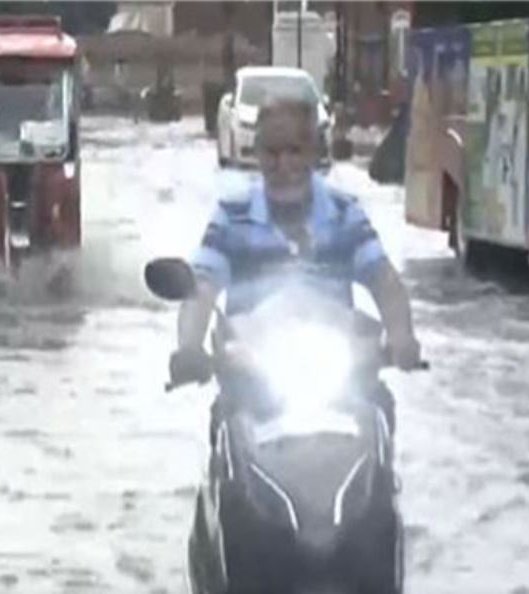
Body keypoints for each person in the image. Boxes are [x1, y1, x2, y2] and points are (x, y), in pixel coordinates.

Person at [170, 91, 422, 436]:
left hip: (338, 381)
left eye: (294, 151)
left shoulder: (346, 214)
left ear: (314, 153)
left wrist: (401, 337)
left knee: (378, 409)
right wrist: (189, 348)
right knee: (227, 424)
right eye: (272, 152)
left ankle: (381, 487)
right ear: (257, 153)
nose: (283, 164)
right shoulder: (231, 217)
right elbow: (201, 288)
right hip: (251, 384)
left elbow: (385, 281)